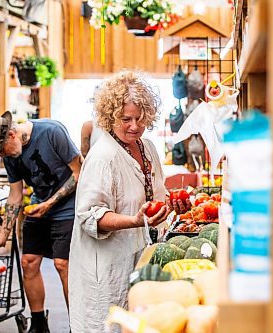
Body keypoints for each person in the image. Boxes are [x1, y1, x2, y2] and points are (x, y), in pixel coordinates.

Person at [68, 70, 190, 332]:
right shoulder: (103, 157)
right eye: (125, 119)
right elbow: (90, 215)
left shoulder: (148, 147)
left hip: (139, 261)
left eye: (140, 118)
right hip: (108, 269)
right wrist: (135, 220)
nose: (134, 126)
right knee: (109, 324)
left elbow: (152, 193)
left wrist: (172, 205)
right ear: (110, 117)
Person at [0, 111, 83, 333]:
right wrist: (2, 236)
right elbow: (15, 196)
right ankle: (39, 324)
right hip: (39, 206)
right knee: (29, 262)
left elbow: (78, 171)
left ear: (12, 134)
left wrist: (50, 203)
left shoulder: (52, 132)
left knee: (63, 265)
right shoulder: (10, 156)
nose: (3, 156)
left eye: (2, 150)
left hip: (68, 207)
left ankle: (78, 326)